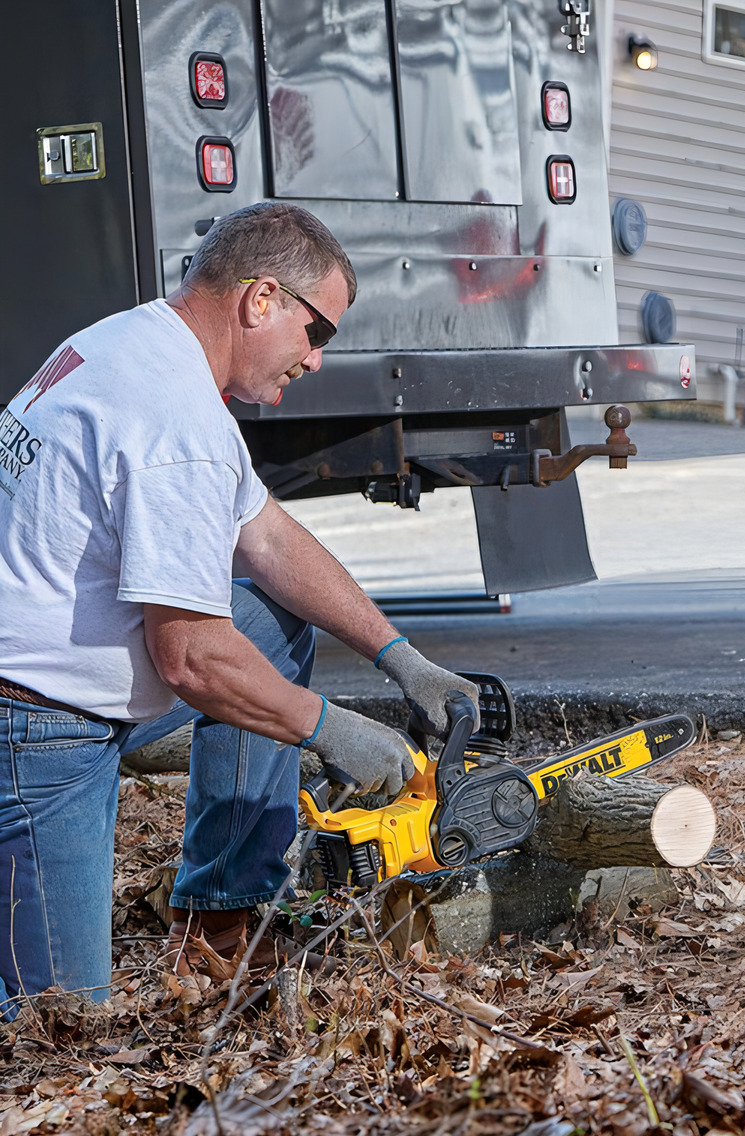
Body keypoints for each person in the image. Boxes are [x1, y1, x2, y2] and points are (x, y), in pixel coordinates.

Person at [0, 202, 480, 1015]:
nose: (318, 360)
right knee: (60, 1026)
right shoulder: (174, 420)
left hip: (49, 669)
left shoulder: (139, 343)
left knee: (270, 620)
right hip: (36, 723)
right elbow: (190, 655)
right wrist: (332, 728)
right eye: (318, 330)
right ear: (261, 300)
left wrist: (399, 655)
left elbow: (268, 539)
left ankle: (219, 917)